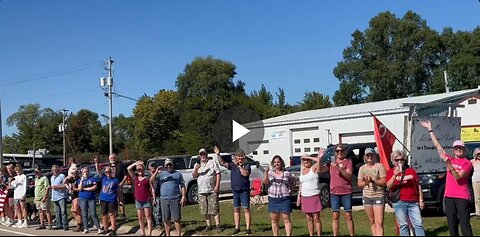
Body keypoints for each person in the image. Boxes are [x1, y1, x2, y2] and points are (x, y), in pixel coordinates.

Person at [421, 120, 473, 236]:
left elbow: (459, 178)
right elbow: (437, 146)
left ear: (464, 150)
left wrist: (449, 166)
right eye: (456, 148)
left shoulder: (467, 163)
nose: (458, 150)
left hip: (462, 197)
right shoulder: (451, 159)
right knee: (452, 224)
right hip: (449, 196)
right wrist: (430, 129)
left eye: (461, 148)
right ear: (453, 150)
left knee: (464, 225)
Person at [386, 150, 425, 236]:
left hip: (413, 201)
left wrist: (421, 200)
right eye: (397, 160)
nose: (399, 162)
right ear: (393, 161)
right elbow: (388, 186)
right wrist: (394, 175)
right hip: (400, 201)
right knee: (403, 225)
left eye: (401, 159)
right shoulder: (390, 172)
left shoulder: (411, 171)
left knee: (418, 224)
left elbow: (418, 185)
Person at [218, 148, 252, 235]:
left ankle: (248, 228)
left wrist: (240, 166)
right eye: (238, 158)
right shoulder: (232, 165)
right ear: (236, 158)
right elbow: (222, 163)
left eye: (241, 158)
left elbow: (245, 174)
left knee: (246, 209)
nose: (240, 159)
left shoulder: (247, 165)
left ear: (244, 158)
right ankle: (237, 227)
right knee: (236, 209)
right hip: (235, 191)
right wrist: (218, 154)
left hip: (244, 191)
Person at [151, 158, 187, 236]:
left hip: (175, 198)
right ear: (165, 166)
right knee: (166, 218)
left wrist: (183, 197)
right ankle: (167, 234)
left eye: (170, 164)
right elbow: (151, 180)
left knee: (176, 218)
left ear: (172, 165)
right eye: (167, 165)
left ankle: (179, 234)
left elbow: (183, 186)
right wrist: (156, 172)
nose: (169, 166)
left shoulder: (178, 174)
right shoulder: (161, 174)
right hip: (164, 199)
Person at [297, 149, 329, 236]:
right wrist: (299, 197)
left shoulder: (314, 168)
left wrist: (307, 156)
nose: (306, 162)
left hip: (314, 196)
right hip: (305, 197)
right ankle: (311, 234)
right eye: (304, 160)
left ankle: (319, 234)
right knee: (309, 219)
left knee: (316, 218)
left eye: (307, 160)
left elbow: (318, 160)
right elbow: (301, 184)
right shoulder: (302, 171)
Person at [357, 148, 386, 236]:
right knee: (372, 220)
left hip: (378, 195)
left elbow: (384, 182)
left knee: (379, 222)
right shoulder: (362, 168)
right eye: (367, 155)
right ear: (365, 157)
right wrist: (366, 182)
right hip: (367, 196)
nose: (369, 157)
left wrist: (374, 181)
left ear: (374, 156)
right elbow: (359, 184)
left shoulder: (379, 166)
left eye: (371, 155)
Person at [193, 148, 222, 233]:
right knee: (204, 210)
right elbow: (194, 175)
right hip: (201, 191)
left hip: (212, 190)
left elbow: (218, 174)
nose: (203, 156)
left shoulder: (212, 163)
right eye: (201, 154)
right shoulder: (197, 165)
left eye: (204, 154)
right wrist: (196, 169)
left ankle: (218, 226)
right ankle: (208, 225)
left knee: (214, 208)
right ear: (199, 156)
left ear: (206, 155)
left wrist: (217, 185)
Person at [264, 155, 294, 236]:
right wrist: (266, 173)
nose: (277, 164)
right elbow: (265, 182)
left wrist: (290, 191)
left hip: (284, 199)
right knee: (274, 220)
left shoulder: (287, 173)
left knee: (286, 219)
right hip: (273, 199)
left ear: (281, 163)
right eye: (275, 162)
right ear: (273, 164)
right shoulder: (270, 173)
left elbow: (292, 182)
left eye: (278, 162)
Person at [330, 144, 354, 236]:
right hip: (334, 192)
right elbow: (320, 169)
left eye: (341, 151)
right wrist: (320, 158)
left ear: (345, 152)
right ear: (335, 153)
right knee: (335, 215)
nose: (339, 153)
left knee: (348, 215)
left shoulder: (348, 161)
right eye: (337, 151)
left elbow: (349, 176)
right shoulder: (331, 162)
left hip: (346, 192)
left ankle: (351, 234)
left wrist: (338, 168)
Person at [95, 155, 119, 236]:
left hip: (112, 199)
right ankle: (105, 229)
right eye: (106, 172)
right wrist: (96, 162)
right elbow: (98, 170)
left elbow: (117, 191)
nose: (108, 173)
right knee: (104, 214)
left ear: (112, 172)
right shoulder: (104, 178)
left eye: (109, 172)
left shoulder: (115, 180)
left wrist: (120, 200)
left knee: (112, 215)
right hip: (103, 198)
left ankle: (113, 230)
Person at [128, 160, 154, 236]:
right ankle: (143, 233)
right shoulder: (135, 177)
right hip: (138, 200)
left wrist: (153, 197)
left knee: (148, 216)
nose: (139, 171)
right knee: (140, 218)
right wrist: (136, 164)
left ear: (143, 169)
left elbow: (152, 187)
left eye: (141, 169)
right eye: (138, 169)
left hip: (146, 199)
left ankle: (149, 233)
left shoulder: (147, 177)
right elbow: (128, 169)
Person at [78, 167, 101, 234]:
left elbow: (95, 187)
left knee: (93, 213)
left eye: (87, 171)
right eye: (84, 172)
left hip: (91, 198)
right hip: (82, 198)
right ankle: (86, 228)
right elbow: (80, 189)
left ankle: (98, 228)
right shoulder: (80, 180)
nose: (86, 173)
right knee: (84, 214)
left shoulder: (92, 178)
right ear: (82, 173)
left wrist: (85, 189)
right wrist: (82, 180)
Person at [50, 164, 69, 231]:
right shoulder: (52, 177)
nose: (54, 171)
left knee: (63, 211)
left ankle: (65, 225)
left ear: (58, 170)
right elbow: (52, 186)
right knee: (57, 212)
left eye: (55, 170)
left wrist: (57, 187)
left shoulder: (62, 176)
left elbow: (66, 185)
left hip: (61, 196)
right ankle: (59, 225)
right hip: (55, 196)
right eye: (53, 170)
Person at [108, 153, 127, 220]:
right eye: (111, 158)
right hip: (111, 185)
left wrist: (122, 183)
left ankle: (123, 214)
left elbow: (125, 175)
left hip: (118, 184)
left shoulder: (120, 165)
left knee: (120, 199)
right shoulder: (108, 166)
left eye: (113, 158)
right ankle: (115, 213)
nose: (112, 159)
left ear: (116, 158)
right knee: (113, 199)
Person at [11, 163, 28, 228]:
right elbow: (12, 186)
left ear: (21, 170)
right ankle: (19, 221)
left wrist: (23, 194)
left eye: (19, 170)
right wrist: (11, 181)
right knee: (17, 208)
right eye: (16, 170)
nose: (17, 171)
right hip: (16, 195)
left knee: (23, 208)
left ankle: (25, 222)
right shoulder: (15, 177)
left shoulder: (24, 176)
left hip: (21, 194)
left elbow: (25, 186)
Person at [148, 163, 163, 232]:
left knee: (157, 210)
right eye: (152, 166)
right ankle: (152, 223)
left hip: (157, 195)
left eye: (154, 166)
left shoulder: (159, 175)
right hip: (148, 195)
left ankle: (159, 224)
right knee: (149, 211)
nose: (153, 167)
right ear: (149, 167)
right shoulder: (147, 175)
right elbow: (150, 181)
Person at [472, 147, 480, 217]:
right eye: (478, 154)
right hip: (476, 181)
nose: (479, 155)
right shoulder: (472, 161)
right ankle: (478, 212)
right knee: (477, 197)